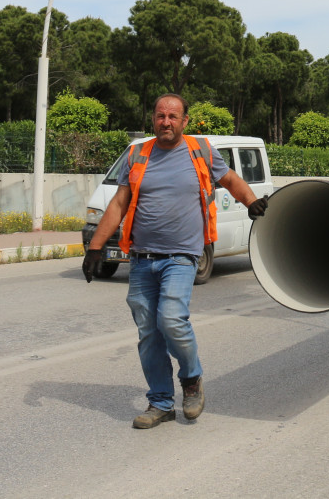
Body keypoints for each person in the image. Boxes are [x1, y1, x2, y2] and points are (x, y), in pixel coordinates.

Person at [83, 93, 268, 429]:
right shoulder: (138, 153)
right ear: (152, 119)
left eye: (172, 116)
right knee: (149, 334)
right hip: (141, 259)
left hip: (182, 257)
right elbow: (119, 204)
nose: (165, 122)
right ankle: (161, 403)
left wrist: (251, 201)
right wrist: (95, 248)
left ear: (184, 121)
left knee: (171, 320)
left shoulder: (201, 150)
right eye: (160, 116)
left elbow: (230, 180)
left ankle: (192, 379)